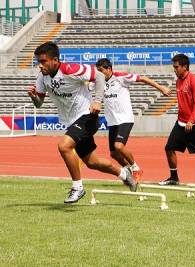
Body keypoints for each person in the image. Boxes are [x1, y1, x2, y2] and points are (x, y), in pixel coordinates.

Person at [28, 42, 136, 204]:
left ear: (55, 60)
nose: (40, 66)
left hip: (88, 116)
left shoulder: (70, 69)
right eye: (38, 62)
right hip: (72, 121)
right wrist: (34, 97)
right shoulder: (42, 77)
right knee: (92, 162)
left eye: (43, 61)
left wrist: (98, 101)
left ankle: (78, 187)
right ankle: (124, 174)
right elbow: (39, 103)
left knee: (64, 146)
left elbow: (99, 76)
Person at [94, 58, 171, 181]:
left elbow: (143, 78)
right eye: (97, 71)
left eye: (101, 70)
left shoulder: (121, 77)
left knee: (119, 146)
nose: (99, 73)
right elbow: (87, 85)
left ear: (109, 69)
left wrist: (161, 88)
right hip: (113, 122)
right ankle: (129, 171)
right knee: (114, 154)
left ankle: (136, 168)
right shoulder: (99, 81)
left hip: (125, 119)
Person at [159, 54, 195, 186]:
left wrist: (191, 120)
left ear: (184, 67)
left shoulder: (194, 80)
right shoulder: (178, 81)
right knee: (169, 148)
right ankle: (174, 177)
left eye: (176, 67)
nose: (174, 69)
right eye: (174, 67)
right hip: (181, 122)